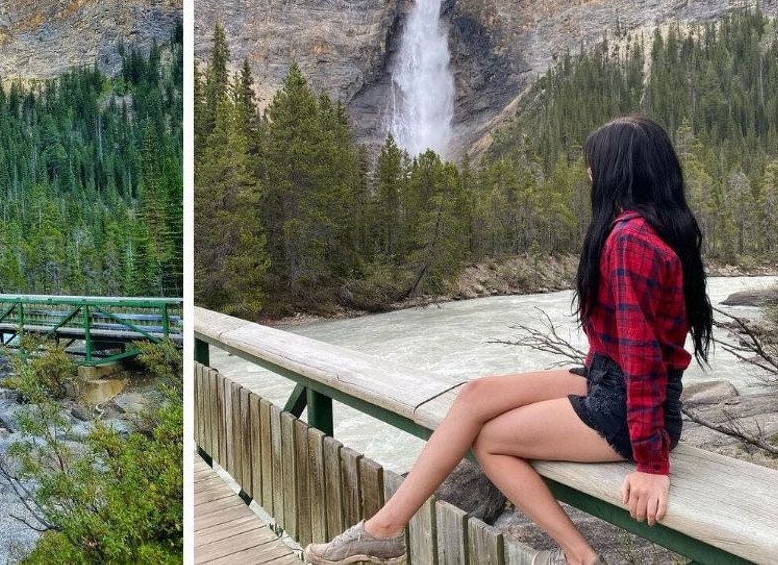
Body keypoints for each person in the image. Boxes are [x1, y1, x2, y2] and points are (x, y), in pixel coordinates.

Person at [305, 117, 712, 565]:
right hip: (612, 382)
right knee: (476, 394)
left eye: (593, 163)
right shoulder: (651, 228)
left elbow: (643, 357)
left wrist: (652, 465)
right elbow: (633, 344)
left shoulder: (629, 239)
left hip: (630, 410)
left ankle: (580, 556)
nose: (588, 172)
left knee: (490, 441)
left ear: (619, 169)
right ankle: (384, 529)